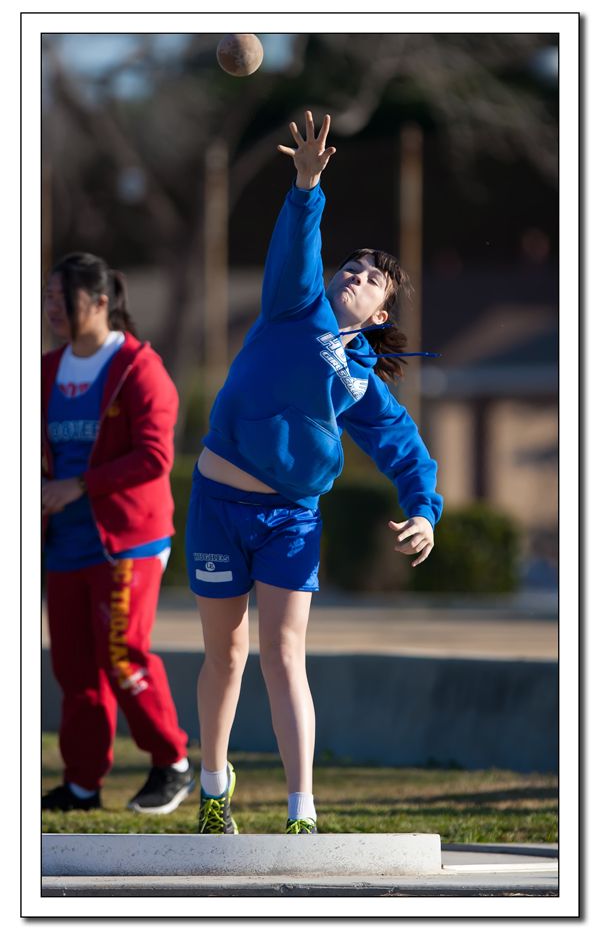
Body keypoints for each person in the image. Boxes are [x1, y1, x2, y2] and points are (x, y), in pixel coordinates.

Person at [186, 111, 443, 835]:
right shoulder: (291, 306)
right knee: (225, 654)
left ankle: (302, 811)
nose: (354, 274)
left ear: (381, 310)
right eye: (351, 266)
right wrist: (305, 186)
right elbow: (297, 249)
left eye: (370, 278)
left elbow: (404, 447)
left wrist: (424, 509)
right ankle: (214, 788)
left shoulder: (362, 378)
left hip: (291, 518)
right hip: (216, 503)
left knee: (283, 652)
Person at [42, 252, 194, 814]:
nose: (53, 309)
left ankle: (171, 763)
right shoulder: (44, 369)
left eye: (64, 299)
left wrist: (78, 485)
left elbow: (154, 457)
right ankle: (82, 784)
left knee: (122, 654)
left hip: (127, 539)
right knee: (74, 669)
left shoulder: (138, 368)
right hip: (65, 544)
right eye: (49, 299)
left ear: (101, 302)